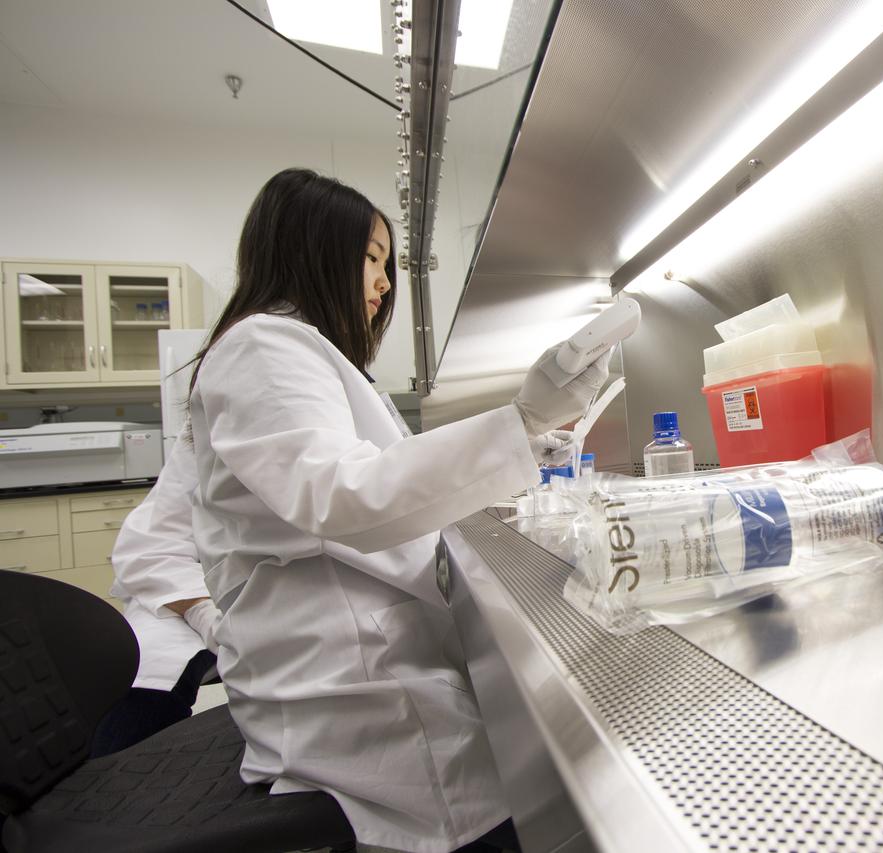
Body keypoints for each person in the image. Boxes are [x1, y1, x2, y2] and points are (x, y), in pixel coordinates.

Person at [185, 168, 606, 853]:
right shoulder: (263, 345)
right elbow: (342, 493)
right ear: (314, 248)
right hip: (353, 685)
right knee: (521, 812)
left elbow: (381, 480)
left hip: (359, 658)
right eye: (372, 258)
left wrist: (523, 445)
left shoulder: (306, 357)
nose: (383, 284)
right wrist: (521, 421)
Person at [94, 436, 219, 757]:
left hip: (309, 604)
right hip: (190, 595)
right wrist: (204, 613)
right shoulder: (204, 434)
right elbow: (153, 549)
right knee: (147, 676)